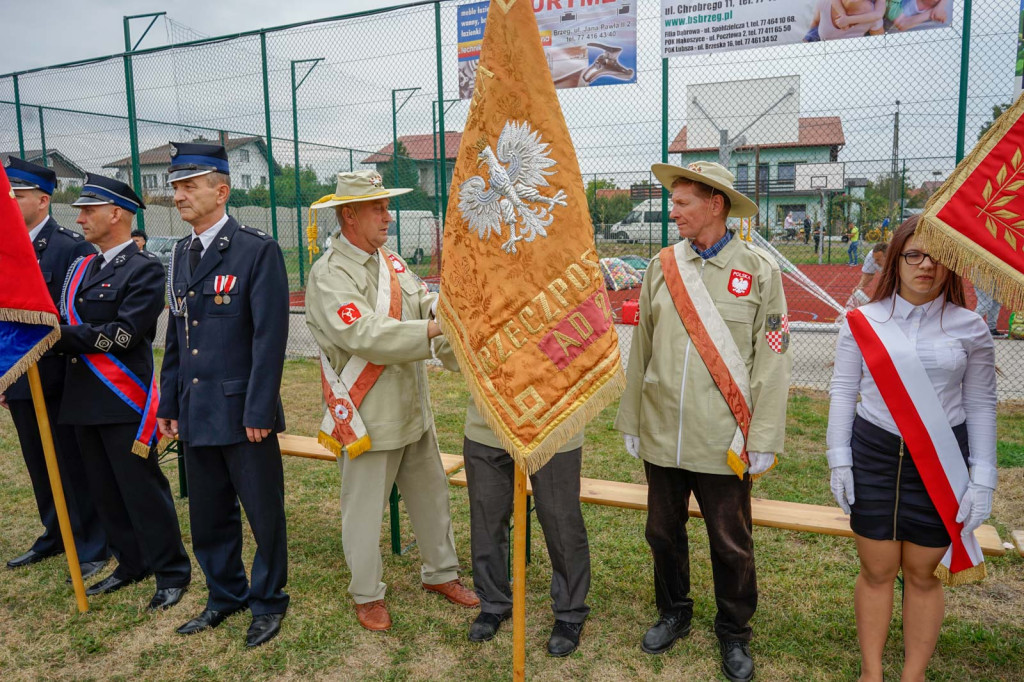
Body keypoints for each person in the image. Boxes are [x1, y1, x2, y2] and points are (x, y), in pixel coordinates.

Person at [615, 161, 791, 682]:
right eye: (673, 202)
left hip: (724, 438)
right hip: (663, 432)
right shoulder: (661, 267)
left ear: (716, 205)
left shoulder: (760, 271)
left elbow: (773, 358)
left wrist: (763, 435)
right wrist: (633, 419)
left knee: (730, 542)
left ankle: (734, 632)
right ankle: (674, 612)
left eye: (682, 202)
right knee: (661, 533)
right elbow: (642, 348)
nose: (673, 212)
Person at [304, 170, 478, 632]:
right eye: (378, 208)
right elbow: (364, 334)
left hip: (412, 407)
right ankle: (367, 594)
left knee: (432, 496)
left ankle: (441, 573)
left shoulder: (391, 261)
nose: (388, 216)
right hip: (369, 415)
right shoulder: (329, 274)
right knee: (364, 511)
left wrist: (448, 315)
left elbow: (423, 303)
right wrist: (435, 328)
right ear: (349, 215)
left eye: (386, 206)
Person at [826, 216, 997, 682]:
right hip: (875, 455)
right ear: (895, 260)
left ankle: (913, 675)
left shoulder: (971, 327)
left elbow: (981, 404)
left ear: (951, 265)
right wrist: (839, 460)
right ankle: (872, 673)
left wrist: (984, 477)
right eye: (914, 255)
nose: (925, 266)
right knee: (876, 569)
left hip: (941, 461)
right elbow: (843, 391)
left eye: (936, 257)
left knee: (923, 573)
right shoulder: (863, 321)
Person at [157, 142, 290, 648]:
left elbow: (269, 339)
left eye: (189, 186)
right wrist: (170, 404)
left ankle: (268, 600)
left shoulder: (256, 249)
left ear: (221, 191)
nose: (178, 196)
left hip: (242, 412)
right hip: (197, 410)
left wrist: (259, 409)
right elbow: (177, 336)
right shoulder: (180, 253)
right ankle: (224, 594)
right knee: (208, 513)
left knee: (263, 513)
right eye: (176, 187)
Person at [53, 173, 191, 610]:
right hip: (82, 399)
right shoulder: (84, 268)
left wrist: (59, 337)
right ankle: (132, 562)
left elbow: (124, 334)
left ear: (116, 214)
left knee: (141, 489)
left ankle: (172, 571)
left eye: (87, 210)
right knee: (104, 491)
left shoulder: (144, 267)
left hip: (121, 400)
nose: (79, 219)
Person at [2, 157, 109, 581]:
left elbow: (79, 316)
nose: (10, 201)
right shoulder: (6, 248)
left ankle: (92, 542)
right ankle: (56, 531)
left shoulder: (70, 248)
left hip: (60, 378)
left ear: (43, 200)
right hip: (20, 375)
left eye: (17, 195)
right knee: (37, 460)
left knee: (72, 462)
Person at [460, 401, 590, 655]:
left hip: (554, 424)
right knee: (486, 516)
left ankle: (570, 611)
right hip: (489, 423)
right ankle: (493, 603)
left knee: (561, 520)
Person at [845, 243, 889, 310]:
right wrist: (859, 287)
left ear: (888, 257)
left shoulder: (899, 260)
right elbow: (868, 275)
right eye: (874, 259)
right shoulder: (871, 255)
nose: (875, 262)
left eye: (877, 260)